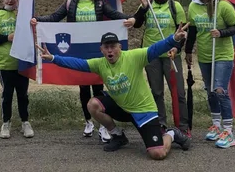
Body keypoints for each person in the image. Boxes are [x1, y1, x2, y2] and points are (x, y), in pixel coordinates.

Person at [37, 25, 191, 160]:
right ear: (101, 49)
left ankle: (171, 134)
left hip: (144, 111)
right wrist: (53, 58)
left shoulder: (134, 57)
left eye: (113, 46)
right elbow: (79, 64)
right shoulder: (100, 64)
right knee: (93, 104)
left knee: (158, 154)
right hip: (122, 108)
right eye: (106, 47)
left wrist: (173, 39)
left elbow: (156, 48)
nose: (110, 50)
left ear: (119, 47)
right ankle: (118, 135)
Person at [30, 0, 136, 143]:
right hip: (79, 51)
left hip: (96, 51)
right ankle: (88, 122)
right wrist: (38, 20)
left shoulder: (99, 2)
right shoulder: (70, 3)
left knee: (99, 88)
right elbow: (54, 17)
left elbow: (115, 15)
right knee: (84, 88)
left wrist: (131, 18)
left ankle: (103, 125)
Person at [185, 0, 235, 149]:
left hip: (222, 55)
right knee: (210, 91)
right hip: (205, 56)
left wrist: (221, 33)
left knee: (220, 90)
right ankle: (216, 126)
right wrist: (188, 50)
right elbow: (193, 31)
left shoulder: (223, 6)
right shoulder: (193, 6)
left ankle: (229, 131)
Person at [134, 0, 189, 134]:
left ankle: (183, 127)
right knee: (156, 92)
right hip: (151, 56)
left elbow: (183, 31)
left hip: (171, 55)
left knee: (178, 92)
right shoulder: (147, 4)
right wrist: (143, 8)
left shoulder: (175, 6)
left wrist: (177, 48)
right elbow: (136, 24)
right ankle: (161, 124)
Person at [0, 0, 34, 139]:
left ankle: (25, 122)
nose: (10, 1)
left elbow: (32, 30)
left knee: (23, 95)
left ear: (17, 0)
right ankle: (6, 123)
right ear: (3, 0)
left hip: (22, 62)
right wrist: (7, 38)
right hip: (6, 63)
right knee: (7, 96)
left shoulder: (22, 15)